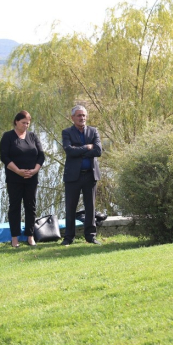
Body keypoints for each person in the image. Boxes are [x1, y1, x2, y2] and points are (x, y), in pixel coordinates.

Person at [0, 111, 45, 247]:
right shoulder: (8, 137)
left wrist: (35, 169)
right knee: (15, 207)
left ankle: (30, 236)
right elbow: (4, 157)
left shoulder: (32, 136)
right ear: (16, 122)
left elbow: (41, 155)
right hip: (14, 178)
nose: (26, 125)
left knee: (30, 206)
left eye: (28, 123)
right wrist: (18, 171)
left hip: (31, 177)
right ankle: (15, 238)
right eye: (23, 122)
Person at [61, 105, 102, 246]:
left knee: (90, 207)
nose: (82, 118)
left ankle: (90, 236)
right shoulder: (66, 132)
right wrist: (86, 147)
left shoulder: (93, 131)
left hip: (90, 175)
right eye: (79, 115)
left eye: (84, 115)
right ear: (72, 118)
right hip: (73, 176)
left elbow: (98, 151)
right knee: (70, 207)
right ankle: (68, 237)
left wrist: (79, 151)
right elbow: (69, 151)